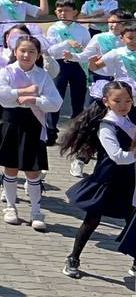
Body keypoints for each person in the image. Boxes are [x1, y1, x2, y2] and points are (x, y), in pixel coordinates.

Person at [0, 35, 63, 230]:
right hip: (11, 122)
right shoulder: (8, 71)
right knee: (10, 167)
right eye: (23, 51)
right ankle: (10, 207)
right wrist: (22, 92)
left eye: (31, 52)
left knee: (33, 171)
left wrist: (35, 100)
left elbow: (56, 102)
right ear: (15, 52)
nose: (26, 55)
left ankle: (36, 211)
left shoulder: (42, 75)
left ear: (38, 55)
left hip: (33, 124)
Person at [60, 80, 136, 279]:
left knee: (133, 220)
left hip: (130, 179)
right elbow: (118, 156)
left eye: (128, 101)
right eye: (117, 101)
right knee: (92, 220)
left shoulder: (130, 119)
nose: (124, 105)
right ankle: (73, 257)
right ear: (106, 101)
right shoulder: (106, 125)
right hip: (108, 179)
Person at [44, 0, 92, 143]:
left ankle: (76, 133)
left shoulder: (82, 30)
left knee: (78, 100)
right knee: (56, 98)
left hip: (78, 66)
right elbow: (50, 50)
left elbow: (88, 50)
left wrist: (79, 52)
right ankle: (50, 131)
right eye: (60, 11)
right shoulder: (54, 29)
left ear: (75, 12)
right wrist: (66, 43)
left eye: (66, 11)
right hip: (59, 65)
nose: (63, 13)